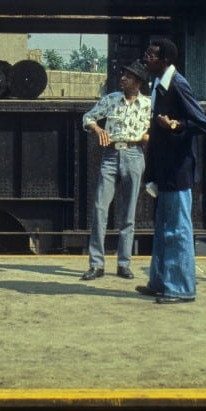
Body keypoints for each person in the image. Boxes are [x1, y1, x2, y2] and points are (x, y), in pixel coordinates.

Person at [136, 38, 206, 304]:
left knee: (178, 229)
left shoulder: (177, 84)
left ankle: (181, 288)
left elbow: (202, 123)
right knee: (163, 228)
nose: (146, 58)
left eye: (151, 55)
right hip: (164, 170)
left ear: (165, 60)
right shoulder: (159, 84)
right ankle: (160, 282)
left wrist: (176, 125)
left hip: (178, 171)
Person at [79, 60, 152, 281]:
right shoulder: (111, 100)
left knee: (129, 212)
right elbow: (87, 117)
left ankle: (124, 263)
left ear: (138, 82)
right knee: (100, 209)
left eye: (128, 76)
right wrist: (97, 128)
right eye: (123, 75)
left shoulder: (148, 104)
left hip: (134, 154)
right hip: (110, 155)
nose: (123, 79)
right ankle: (97, 264)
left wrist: (146, 137)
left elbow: (157, 130)